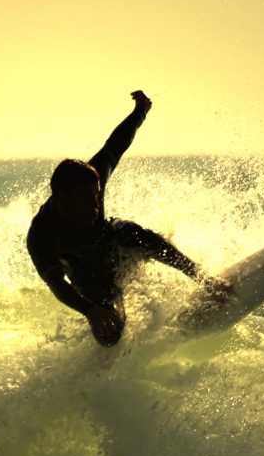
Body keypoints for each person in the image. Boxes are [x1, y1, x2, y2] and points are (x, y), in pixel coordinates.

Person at [26, 90, 230, 346]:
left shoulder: (92, 176)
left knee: (133, 233)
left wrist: (140, 111)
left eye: (97, 197)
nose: (96, 207)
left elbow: (116, 144)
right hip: (86, 273)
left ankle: (204, 279)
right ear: (64, 200)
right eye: (88, 201)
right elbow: (57, 284)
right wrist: (90, 311)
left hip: (111, 240)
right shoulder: (41, 235)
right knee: (110, 332)